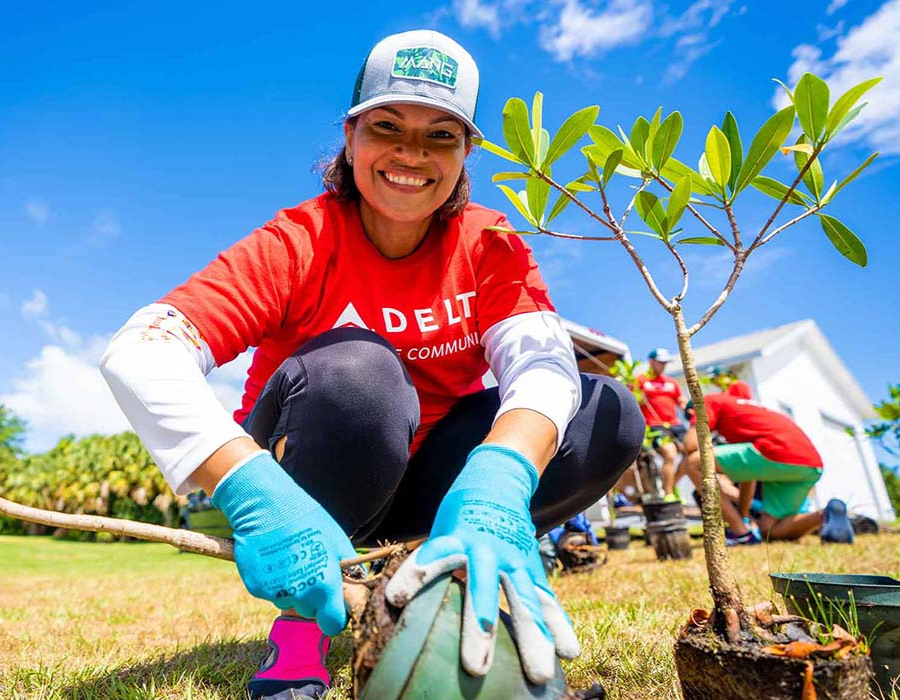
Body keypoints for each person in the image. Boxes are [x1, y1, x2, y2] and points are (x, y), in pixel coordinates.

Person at [100, 29, 644, 700]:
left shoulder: (490, 244)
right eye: (387, 126)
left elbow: (543, 368)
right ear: (351, 137)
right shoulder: (300, 241)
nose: (411, 153)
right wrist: (252, 492)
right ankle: (300, 632)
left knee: (607, 412)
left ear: (466, 152)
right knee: (362, 375)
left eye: (440, 135)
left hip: (430, 480)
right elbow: (141, 351)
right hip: (310, 474)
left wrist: (498, 483)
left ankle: (445, 576)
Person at [682, 393, 853, 545]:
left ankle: (741, 534)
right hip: (809, 464)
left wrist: (741, 528)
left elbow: (690, 445)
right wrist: (744, 518)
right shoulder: (743, 410)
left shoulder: (707, 402)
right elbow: (748, 477)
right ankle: (825, 515)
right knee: (768, 530)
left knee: (694, 462)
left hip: (776, 451)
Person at [634, 348, 687, 500]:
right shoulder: (640, 381)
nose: (663, 366)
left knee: (692, 455)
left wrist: (688, 408)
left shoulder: (671, 382)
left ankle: (671, 484)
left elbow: (680, 400)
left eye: (665, 363)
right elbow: (632, 402)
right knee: (670, 454)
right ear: (651, 362)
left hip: (675, 424)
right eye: (660, 362)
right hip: (654, 425)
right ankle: (669, 494)